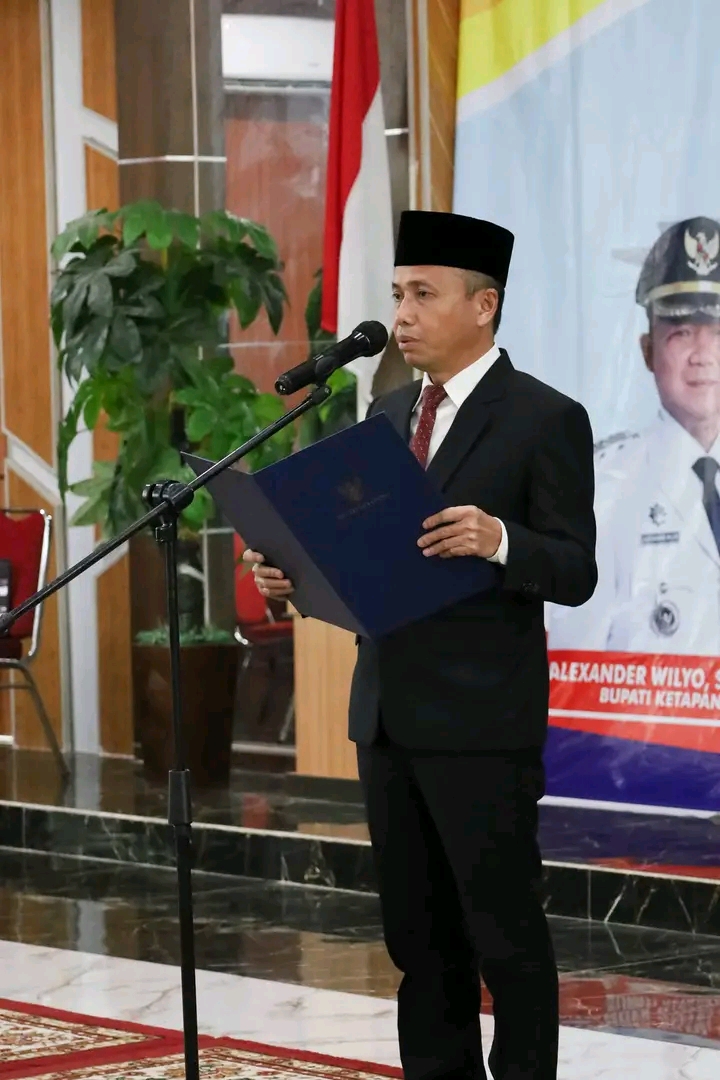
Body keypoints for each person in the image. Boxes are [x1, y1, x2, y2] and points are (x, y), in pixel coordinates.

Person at [244, 210, 597, 1080]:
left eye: (423, 295)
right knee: (420, 945)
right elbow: (370, 567)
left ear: (484, 305)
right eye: (399, 293)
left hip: (481, 726)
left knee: (506, 941)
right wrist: (294, 582)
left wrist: (500, 539)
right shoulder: (389, 410)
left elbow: (577, 569)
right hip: (389, 719)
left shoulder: (544, 417)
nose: (401, 314)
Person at [548, 215, 720, 654]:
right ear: (648, 350)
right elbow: (574, 665)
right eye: (682, 332)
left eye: (718, 332)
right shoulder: (603, 485)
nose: (703, 355)